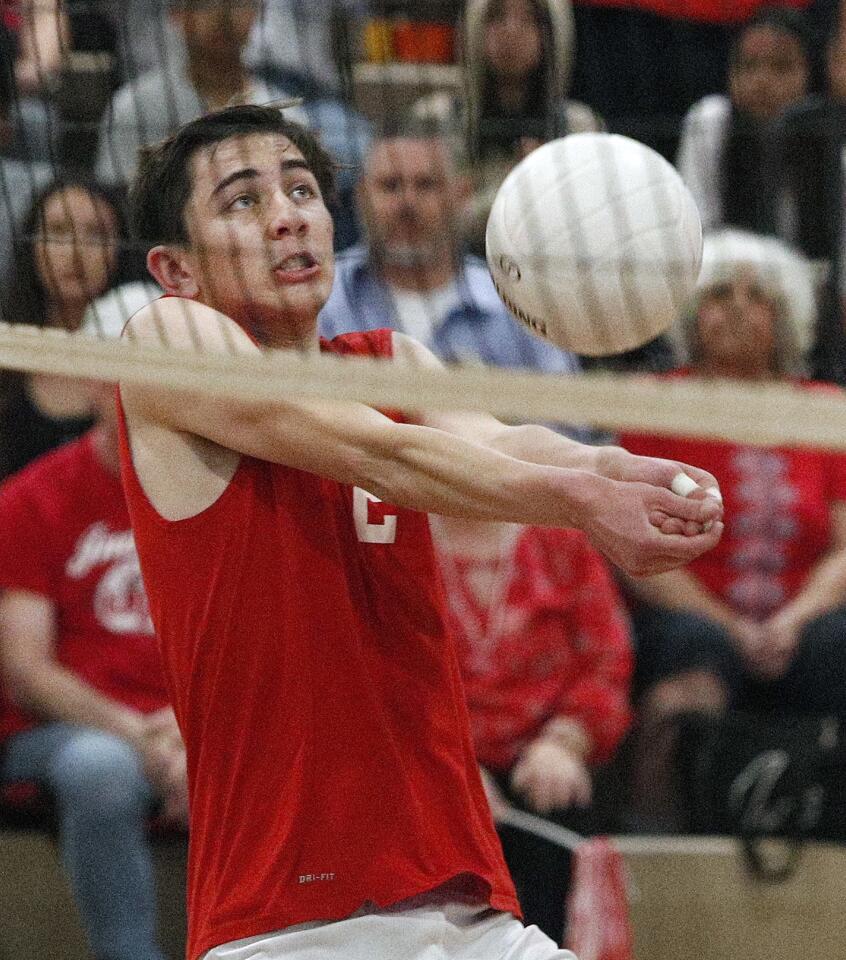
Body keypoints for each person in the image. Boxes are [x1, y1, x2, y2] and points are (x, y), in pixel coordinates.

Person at [117, 103, 723, 960]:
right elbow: (390, 454)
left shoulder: (392, 362)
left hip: (465, 907)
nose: (288, 214)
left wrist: (613, 471)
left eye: (300, 189)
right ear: (175, 268)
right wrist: (579, 500)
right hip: (288, 926)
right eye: (244, 202)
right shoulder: (162, 342)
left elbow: (496, 440)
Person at [618, 229, 846, 830]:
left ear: (787, 318)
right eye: (721, 294)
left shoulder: (826, 407)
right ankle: (663, 852)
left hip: (806, 627)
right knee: (693, 646)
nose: (739, 307)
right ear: (695, 315)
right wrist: (734, 628)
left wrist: (791, 622)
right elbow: (638, 549)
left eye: (757, 296)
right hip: (692, 623)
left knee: (837, 643)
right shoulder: (654, 404)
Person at [0, 314, 187, 960]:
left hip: (184, 726)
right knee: (100, 768)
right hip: (65, 734)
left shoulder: (211, 492)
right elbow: (26, 671)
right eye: (120, 374)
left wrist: (196, 730)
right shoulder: (32, 499)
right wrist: (139, 735)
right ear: (89, 382)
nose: (136, 392)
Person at [431, 514, 633, 942]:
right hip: (432, 757)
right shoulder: (395, 539)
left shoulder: (560, 540)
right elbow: (382, 679)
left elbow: (608, 658)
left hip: (541, 758)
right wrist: (450, 769)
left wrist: (564, 741)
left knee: (559, 811)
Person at [319, 127, 580, 380]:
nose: (407, 202)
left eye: (426, 185)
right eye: (390, 185)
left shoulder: (517, 301)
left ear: (462, 195)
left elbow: (566, 420)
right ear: (361, 195)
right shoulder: (321, 295)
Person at [413, 0, 602, 253]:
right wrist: (531, 186)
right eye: (497, 18)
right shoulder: (436, 118)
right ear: (474, 28)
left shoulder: (579, 126)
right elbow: (425, 224)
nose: (511, 32)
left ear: (555, 35)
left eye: (529, 20)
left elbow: (590, 223)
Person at [0, 178, 130, 480]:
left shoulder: (144, 352)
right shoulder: (7, 348)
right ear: (31, 245)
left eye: (97, 235)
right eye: (58, 232)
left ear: (120, 250)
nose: (76, 251)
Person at [676, 5, 812, 236]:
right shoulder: (711, 120)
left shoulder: (827, 130)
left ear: (808, 74)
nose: (762, 81)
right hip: (724, 266)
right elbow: (697, 227)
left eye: (781, 67)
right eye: (748, 65)